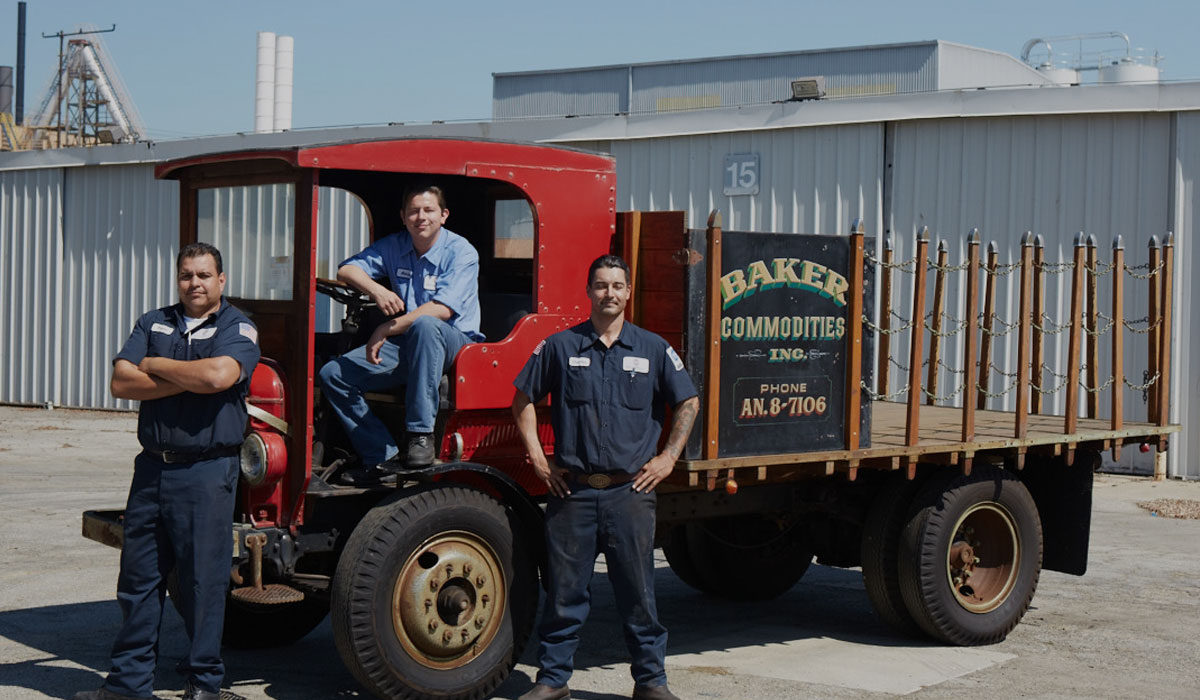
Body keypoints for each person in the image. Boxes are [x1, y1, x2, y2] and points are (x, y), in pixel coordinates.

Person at [76, 243, 259, 700]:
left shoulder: (238, 326)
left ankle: (203, 686)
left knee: (202, 584)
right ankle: (128, 687)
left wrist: (154, 365)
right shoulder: (153, 320)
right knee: (138, 582)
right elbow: (120, 381)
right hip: (152, 470)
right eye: (185, 275)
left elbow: (219, 376)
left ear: (221, 280)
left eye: (203, 275)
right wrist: (187, 378)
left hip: (206, 472)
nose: (193, 283)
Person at [511, 254, 700, 700]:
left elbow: (688, 402)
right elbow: (521, 400)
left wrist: (669, 457)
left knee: (639, 593)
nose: (609, 293)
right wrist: (539, 461)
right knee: (564, 595)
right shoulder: (560, 346)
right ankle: (553, 681)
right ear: (588, 290)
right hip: (573, 493)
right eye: (601, 285)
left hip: (630, 493)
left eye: (617, 285)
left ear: (629, 292)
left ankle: (651, 682)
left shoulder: (653, 349)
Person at [319, 185, 482, 484]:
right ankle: (381, 456)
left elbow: (443, 310)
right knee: (333, 374)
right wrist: (378, 290)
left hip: (458, 348)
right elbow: (347, 271)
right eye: (414, 211)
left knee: (426, 325)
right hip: (410, 342)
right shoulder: (394, 245)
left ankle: (420, 435)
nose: (421, 217)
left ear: (443, 216)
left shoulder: (462, 251)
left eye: (429, 210)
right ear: (404, 217)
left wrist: (386, 326)